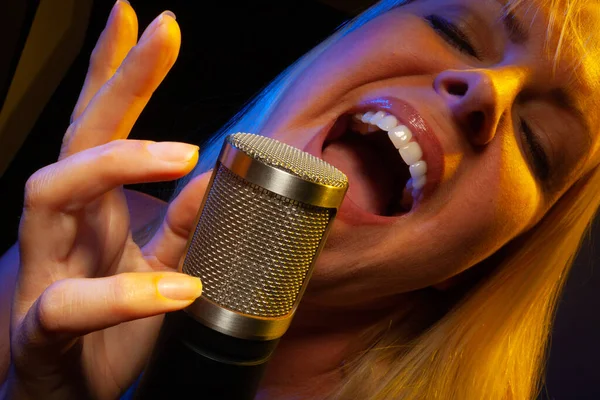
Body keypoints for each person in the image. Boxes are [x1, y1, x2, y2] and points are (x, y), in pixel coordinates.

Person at [1, 0, 599, 398]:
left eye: (537, 142)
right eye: (454, 31)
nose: (486, 91)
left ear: (482, 258)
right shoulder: (75, 255)